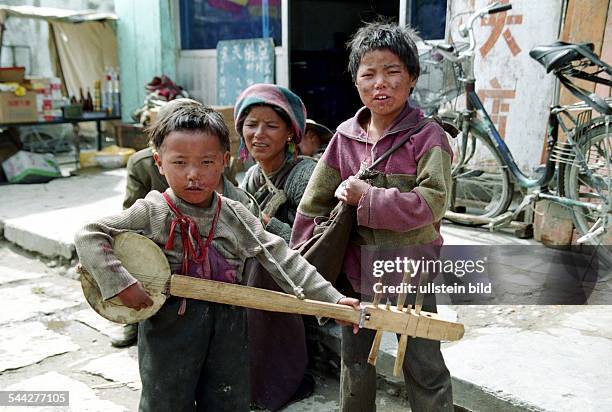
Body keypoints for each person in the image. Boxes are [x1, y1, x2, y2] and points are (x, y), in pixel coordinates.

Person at [74, 100, 359, 412]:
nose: (194, 175)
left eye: (207, 162)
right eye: (180, 163)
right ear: (159, 162)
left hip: (230, 326)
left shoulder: (235, 214)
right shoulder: (153, 209)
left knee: (227, 399)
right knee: (165, 401)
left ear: (226, 161)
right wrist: (119, 281)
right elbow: (89, 233)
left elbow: (282, 258)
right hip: (169, 327)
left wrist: (331, 298)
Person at [290, 21, 454, 411]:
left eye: (393, 71)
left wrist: (368, 197)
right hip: (356, 276)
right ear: (356, 82)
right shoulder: (343, 139)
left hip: (411, 273)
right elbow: (312, 206)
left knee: (423, 362)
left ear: (412, 78)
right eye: (369, 74)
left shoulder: (429, 137)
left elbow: (432, 203)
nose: (381, 82)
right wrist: (301, 260)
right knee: (356, 362)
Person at [109, 99, 259, 348]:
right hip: (162, 237)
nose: (193, 170)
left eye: (206, 161)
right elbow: (129, 220)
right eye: (180, 162)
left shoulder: (212, 158)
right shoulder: (142, 164)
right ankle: (133, 322)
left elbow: (227, 189)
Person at [234, 84, 323, 410]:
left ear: (290, 133)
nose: (258, 134)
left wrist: (266, 225)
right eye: (251, 124)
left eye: (271, 125)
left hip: (303, 271)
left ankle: (291, 376)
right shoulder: (253, 176)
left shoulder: (305, 175)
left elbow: (316, 242)